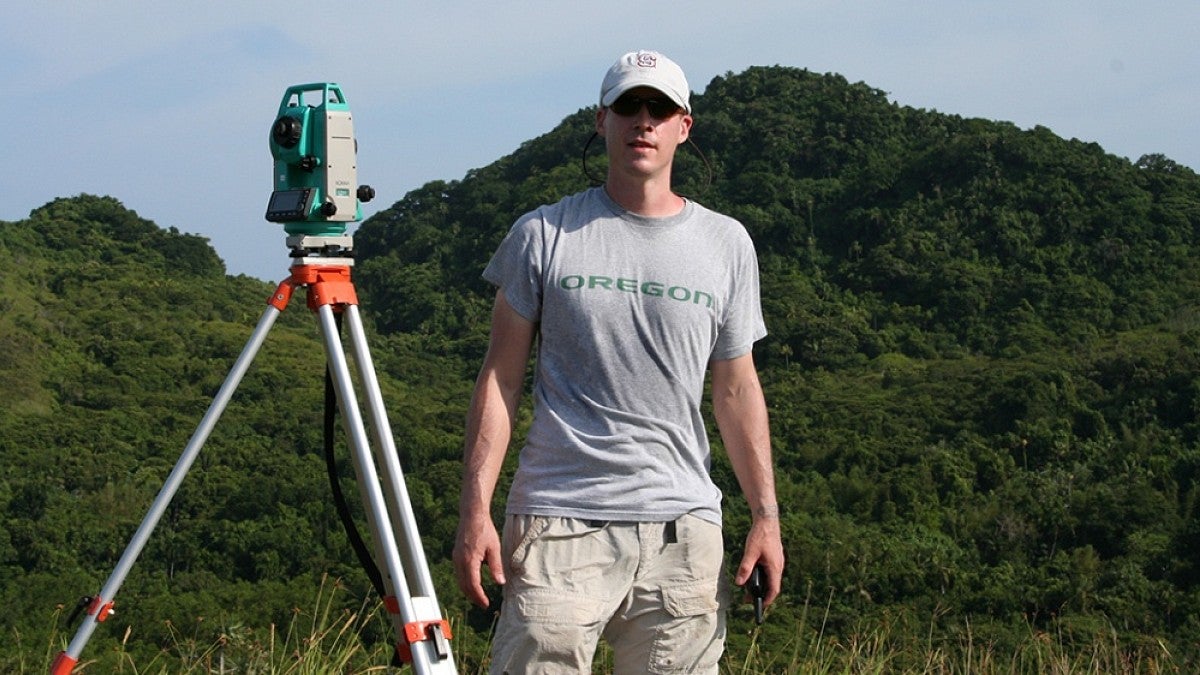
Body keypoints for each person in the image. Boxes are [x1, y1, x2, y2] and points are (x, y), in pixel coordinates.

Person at [452, 49, 785, 674]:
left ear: (683, 126)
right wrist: (475, 512)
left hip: (682, 533)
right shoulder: (544, 234)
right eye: (629, 105)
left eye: (659, 108)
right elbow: (500, 378)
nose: (644, 120)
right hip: (557, 521)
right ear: (601, 119)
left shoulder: (727, 243)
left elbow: (737, 389)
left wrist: (765, 517)